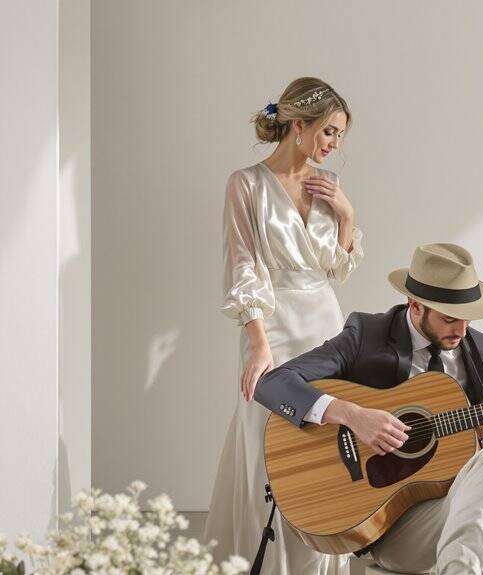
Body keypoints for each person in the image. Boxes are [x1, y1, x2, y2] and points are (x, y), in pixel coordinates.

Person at [254, 243, 483, 574]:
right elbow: (273, 383)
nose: (462, 331)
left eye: (468, 319)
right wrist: (353, 415)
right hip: (389, 526)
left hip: (461, 510)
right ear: (415, 305)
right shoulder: (367, 335)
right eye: (450, 319)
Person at [203, 77, 361, 575]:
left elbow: (337, 268)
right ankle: (264, 561)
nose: (333, 145)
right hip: (273, 326)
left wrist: (346, 214)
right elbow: (243, 264)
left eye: (339, 136)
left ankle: (319, 559)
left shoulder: (327, 185)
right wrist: (257, 344)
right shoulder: (245, 183)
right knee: (265, 441)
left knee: (327, 443)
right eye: (329, 132)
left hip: (326, 323)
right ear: (298, 126)